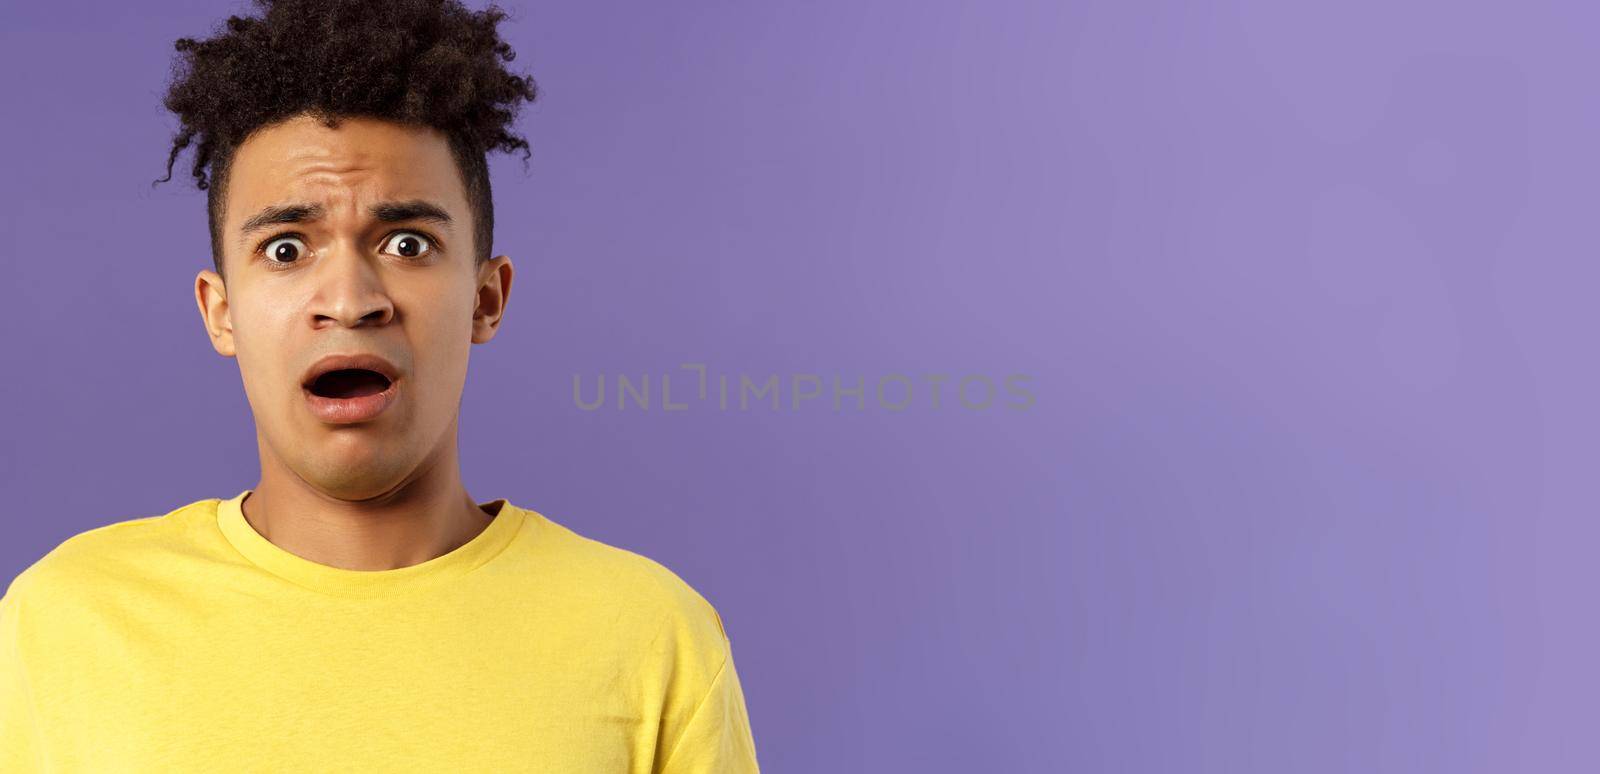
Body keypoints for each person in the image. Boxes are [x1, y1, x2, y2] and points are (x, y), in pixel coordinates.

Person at [0, 1, 759, 770]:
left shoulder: (652, 636)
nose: (351, 297)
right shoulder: (62, 623)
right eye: (288, 248)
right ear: (221, 312)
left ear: (485, 299)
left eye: (407, 243)